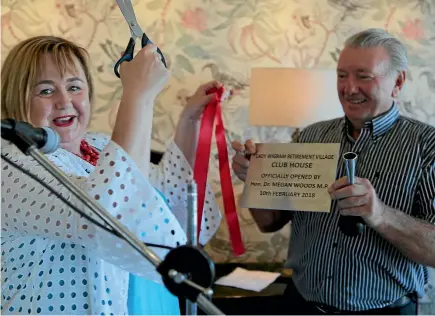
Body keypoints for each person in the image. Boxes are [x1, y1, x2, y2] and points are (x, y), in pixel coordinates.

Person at [0, 35, 222, 315]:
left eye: (74, 87)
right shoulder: (11, 163)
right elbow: (107, 219)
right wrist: (137, 95)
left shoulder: (100, 147)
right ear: (15, 96)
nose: (65, 100)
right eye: (46, 91)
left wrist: (190, 122)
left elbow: (163, 203)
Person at [232, 28, 435, 315]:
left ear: (397, 82)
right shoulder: (309, 137)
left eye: (363, 76)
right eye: (342, 75)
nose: (349, 88)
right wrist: (255, 180)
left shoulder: (428, 146)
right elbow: (270, 222)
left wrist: (379, 214)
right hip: (301, 305)